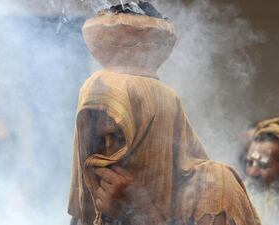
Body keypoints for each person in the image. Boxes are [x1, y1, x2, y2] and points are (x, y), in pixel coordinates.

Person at [68, 69, 261, 225]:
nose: (107, 153)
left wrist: (139, 213)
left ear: (156, 131)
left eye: (119, 137)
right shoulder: (96, 191)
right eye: (99, 140)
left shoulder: (213, 188)